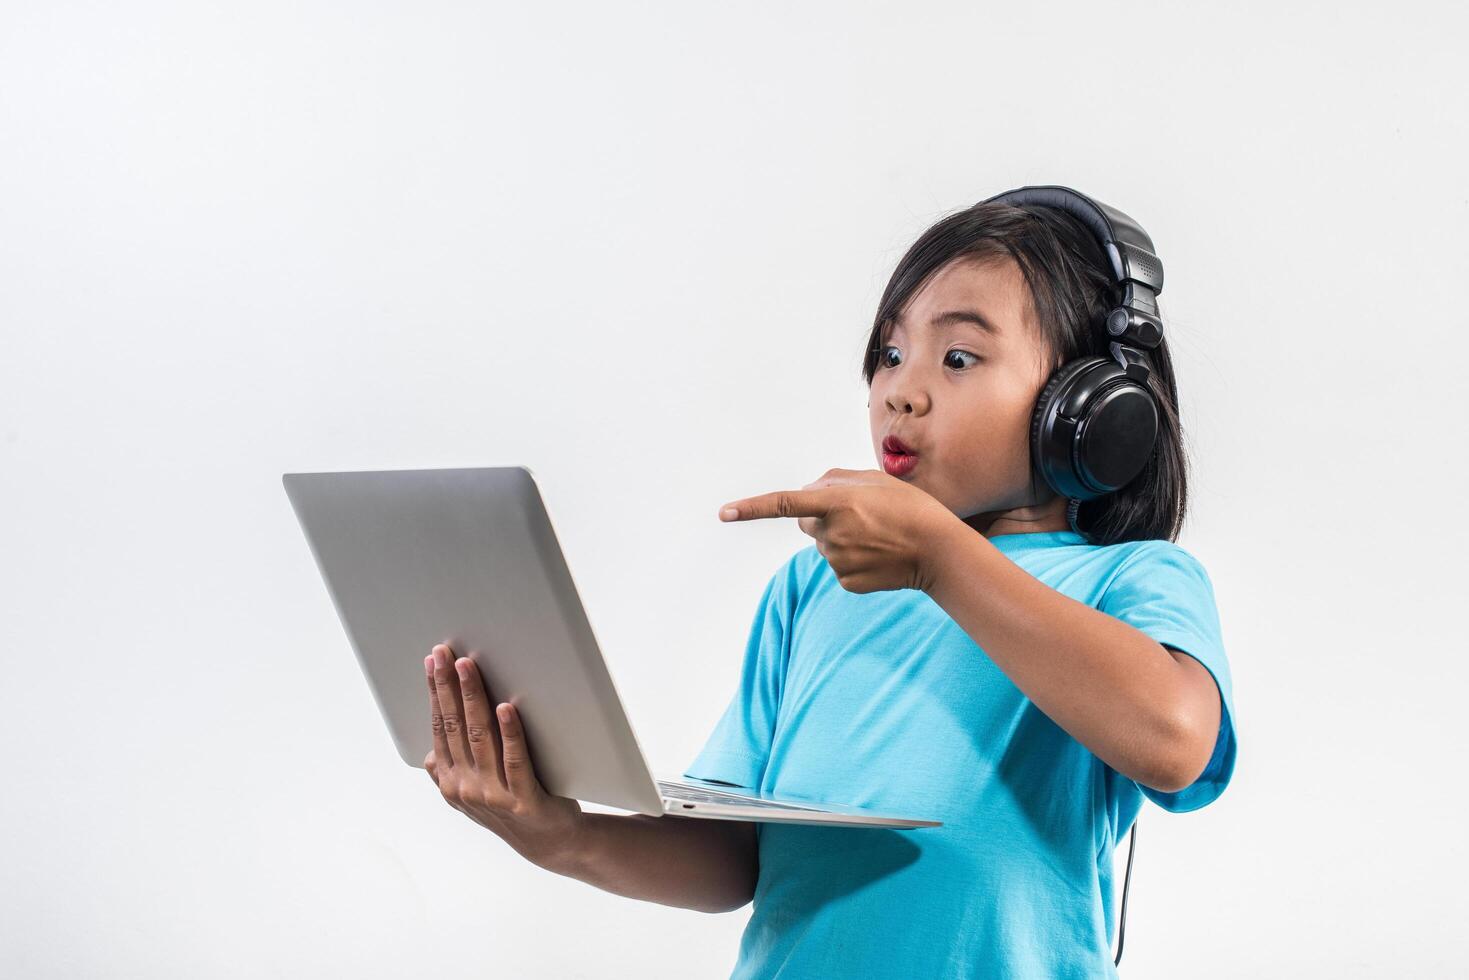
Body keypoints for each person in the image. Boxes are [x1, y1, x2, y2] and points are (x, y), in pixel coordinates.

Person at [421, 194, 1238, 979]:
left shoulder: (1128, 579)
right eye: (888, 354)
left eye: (957, 358)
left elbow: (1173, 743)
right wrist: (561, 836)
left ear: (1088, 410)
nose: (899, 390)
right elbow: (735, 857)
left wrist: (939, 558)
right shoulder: (811, 588)